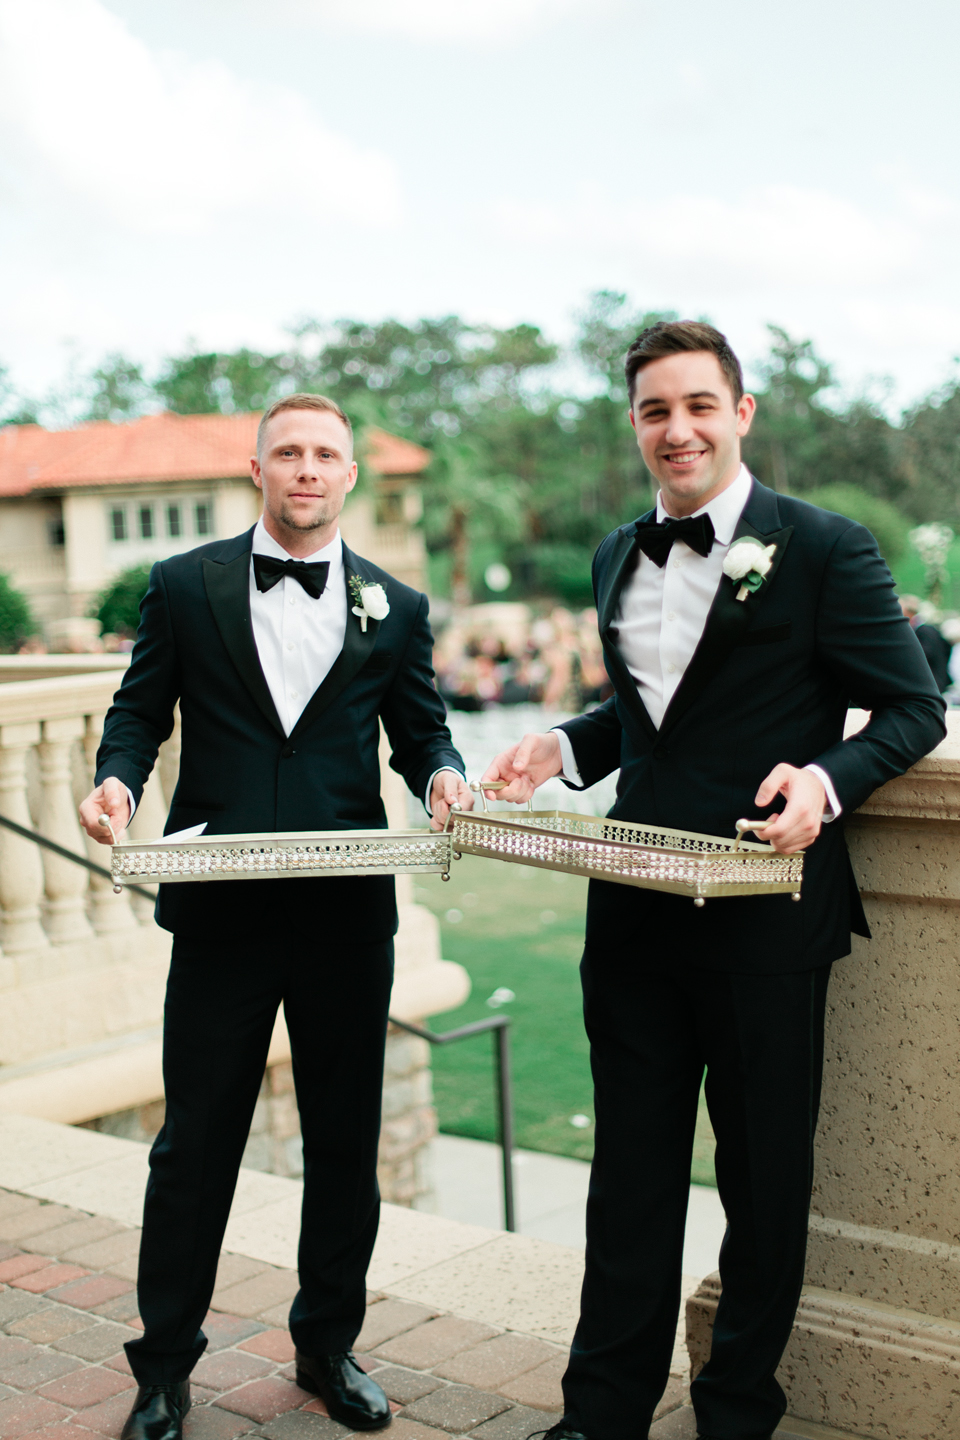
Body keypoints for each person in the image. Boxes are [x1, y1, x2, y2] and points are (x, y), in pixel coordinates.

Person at [481, 323, 945, 1440]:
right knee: (628, 1181)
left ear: (742, 413)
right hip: (633, 911)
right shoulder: (612, 556)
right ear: (635, 424)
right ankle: (601, 1414)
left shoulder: (827, 546)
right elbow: (655, 717)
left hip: (766, 925)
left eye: (698, 405)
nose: (676, 429)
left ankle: (737, 1411)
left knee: (763, 1186)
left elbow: (913, 708)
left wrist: (825, 786)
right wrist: (565, 746)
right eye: (653, 410)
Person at [79, 393, 472, 1440]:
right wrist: (116, 782)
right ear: (257, 469)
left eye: (325, 454)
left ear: (350, 477)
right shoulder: (184, 583)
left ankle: (327, 1347)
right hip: (221, 915)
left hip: (348, 916)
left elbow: (421, 735)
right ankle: (162, 1369)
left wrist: (444, 780)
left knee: (346, 1142)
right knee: (194, 1142)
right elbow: (136, 712)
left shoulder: (398, 605)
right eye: (287, 451)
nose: (307, 468)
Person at [899, 594, 953, 693]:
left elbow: (925, 653)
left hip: (931, 684)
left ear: (908, 612)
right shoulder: (924, 630)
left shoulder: (925, 631)